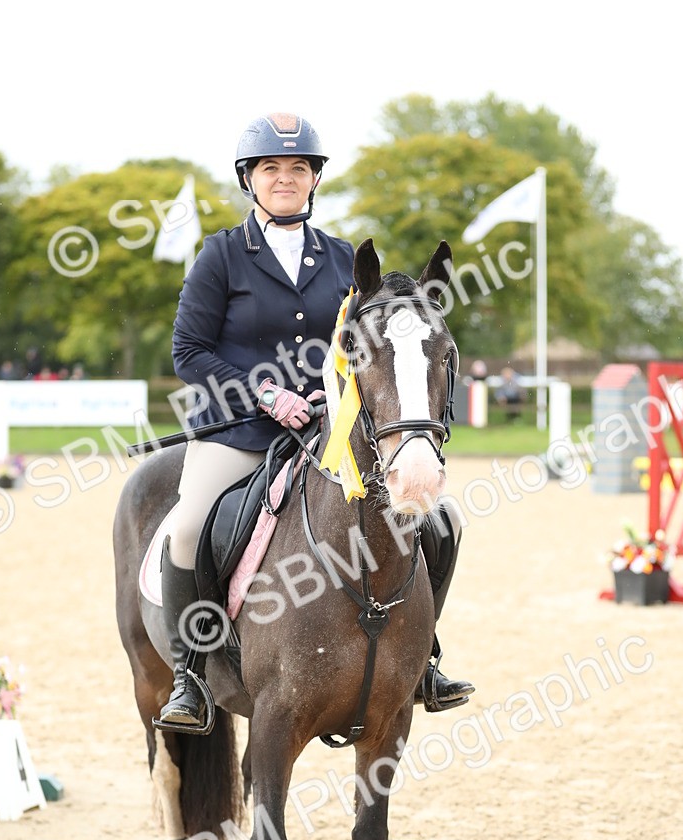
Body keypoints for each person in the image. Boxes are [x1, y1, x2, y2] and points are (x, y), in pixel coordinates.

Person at [159, 112, 473, 730]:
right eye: (271, 169)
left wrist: (345, 398)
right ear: (250, 179)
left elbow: (367, 348)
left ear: (313, 180)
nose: (285, 179)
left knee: (440, 520)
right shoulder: (221, 256)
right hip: (238, 430)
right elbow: (189, 352)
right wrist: (266, 394)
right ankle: (190, 675)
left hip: (327, 433)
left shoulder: (341, 260)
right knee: (190, 525)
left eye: (297, 168)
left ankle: (423, 656)